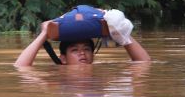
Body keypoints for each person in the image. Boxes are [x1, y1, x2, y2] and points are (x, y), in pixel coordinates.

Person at [14, 17, 151, 67]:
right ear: (63, 59)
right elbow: (20, 67)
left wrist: (119, 29)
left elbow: (144, 63)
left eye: (86, 49)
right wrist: (44, 34)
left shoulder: (101, 77)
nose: (82, 53)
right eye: (74, 50)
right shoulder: (58, 78)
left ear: (93, 55)